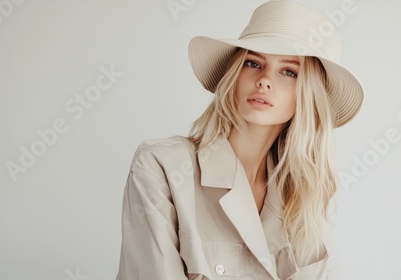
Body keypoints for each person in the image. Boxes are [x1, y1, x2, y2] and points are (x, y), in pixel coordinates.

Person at [116, 0, 364, 279]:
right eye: (253, 63)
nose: (264, 80)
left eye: (288, 71)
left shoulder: (303, 195)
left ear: (308, 96)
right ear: (234, 75)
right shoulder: (161, 166)